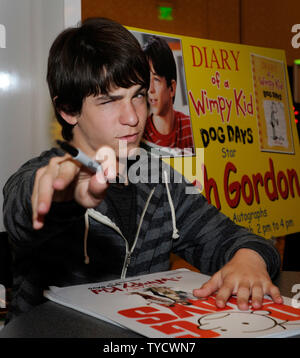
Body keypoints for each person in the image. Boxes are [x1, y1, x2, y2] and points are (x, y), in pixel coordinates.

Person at [3, 17, 282, 323]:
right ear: (68, 110)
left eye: (138, 95)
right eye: (109, 100)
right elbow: (21, 211)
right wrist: (58, 199)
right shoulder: (45, 176)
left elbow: (234, 238)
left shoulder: (161, 182)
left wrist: (250, 260)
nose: (133, 118)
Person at [142, 35, 194, 154]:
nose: (150, 89)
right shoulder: (141, 135)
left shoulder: (190, 129)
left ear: (172, 89)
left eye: (156, 79)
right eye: (146, 79)